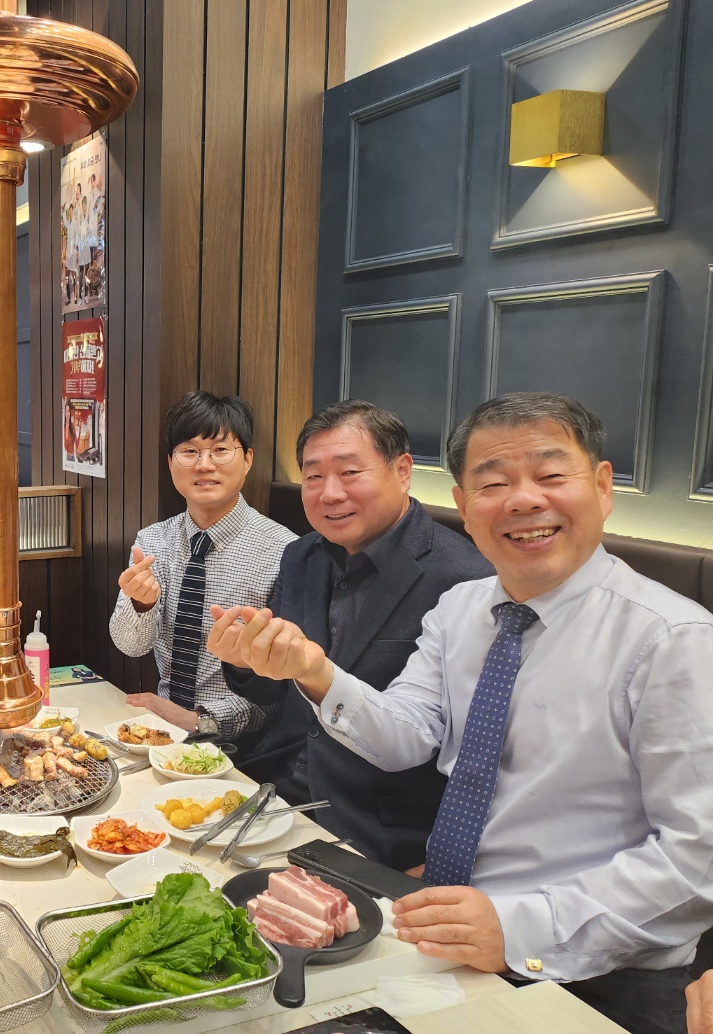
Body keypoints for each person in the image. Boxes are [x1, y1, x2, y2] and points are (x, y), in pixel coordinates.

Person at [212, 392, 713, 1034]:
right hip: (449, 924)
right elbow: (407, 737)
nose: (523, 500)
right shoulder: (462, 609)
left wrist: (518, 926)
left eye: (550, 475)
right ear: (465, 506)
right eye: (493, 484)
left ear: (602, 486)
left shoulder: (672, 640)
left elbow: (695, 858)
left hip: (598, 967)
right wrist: (314, 671)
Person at [208, 401, 491, 869]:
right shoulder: (301, 556)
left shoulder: (465, 580)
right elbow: (277, 689)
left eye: (349, 472)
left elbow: (473, 752)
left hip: (376, 826)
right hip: (272, 789)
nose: (329, 493)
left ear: (403, 471)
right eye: (313, 476)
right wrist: (244, 661)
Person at [109, 391, 295, 738]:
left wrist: (199, 722)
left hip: (245, 745)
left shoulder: (284, 550)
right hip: (161, 731)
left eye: (221, 450)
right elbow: (131, 646)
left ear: (248, 459)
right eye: (190, 451)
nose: (204, 465)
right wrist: (141, 603)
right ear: (170, 462)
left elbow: (286, 680)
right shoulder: (153, 540)